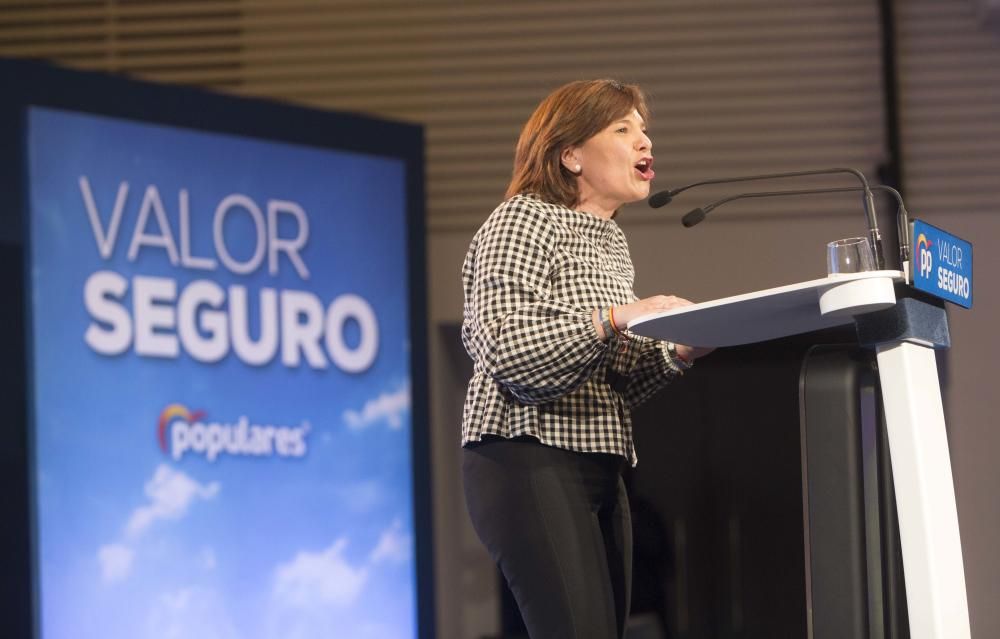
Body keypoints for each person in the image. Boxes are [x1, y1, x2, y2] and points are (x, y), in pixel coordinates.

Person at [460, 78, 714, 639]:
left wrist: (678, 351)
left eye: (644, 130)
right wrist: (612, 318)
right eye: (623, 129)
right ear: (570, 154)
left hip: (601, 461)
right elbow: (506, 348)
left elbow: (609, 379)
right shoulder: (522, 219)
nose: (644, 142)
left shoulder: (609, 242)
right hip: (525, 453)